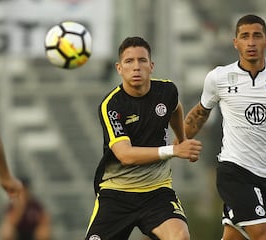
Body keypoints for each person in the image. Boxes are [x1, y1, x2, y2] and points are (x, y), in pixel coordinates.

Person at [184, 14, 266, 240]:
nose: (251, 42)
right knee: (264, 235)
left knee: (233, 236)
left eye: (257, 36)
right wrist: (179, 141)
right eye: (245, 36)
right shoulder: (219, 77)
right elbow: (199, 114)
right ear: (236, 42)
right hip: (233, 170)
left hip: (265, 172)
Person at [84, 36, 202, 240]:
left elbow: (175, 108)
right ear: (119, 68)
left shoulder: (167, 91)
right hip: (116, 194)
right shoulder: (111, 105)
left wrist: (181, 138)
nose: (136, 67)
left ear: (151, 65)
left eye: (142, 60)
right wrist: (174, 150)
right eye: (129, 62)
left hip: (157, 191)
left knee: (180, 237)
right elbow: (125, 155)